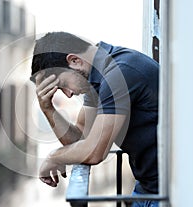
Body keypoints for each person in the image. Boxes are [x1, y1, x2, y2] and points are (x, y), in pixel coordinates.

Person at [30, 32, 159, 207]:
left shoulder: (120, 72)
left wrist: (55, 157)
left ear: (74, 60)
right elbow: (80, 140)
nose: (68, 95)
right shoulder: (96, 80)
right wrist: (47, 108)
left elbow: (95, 151)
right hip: (147, 189)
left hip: (168, 192)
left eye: (63, 85)